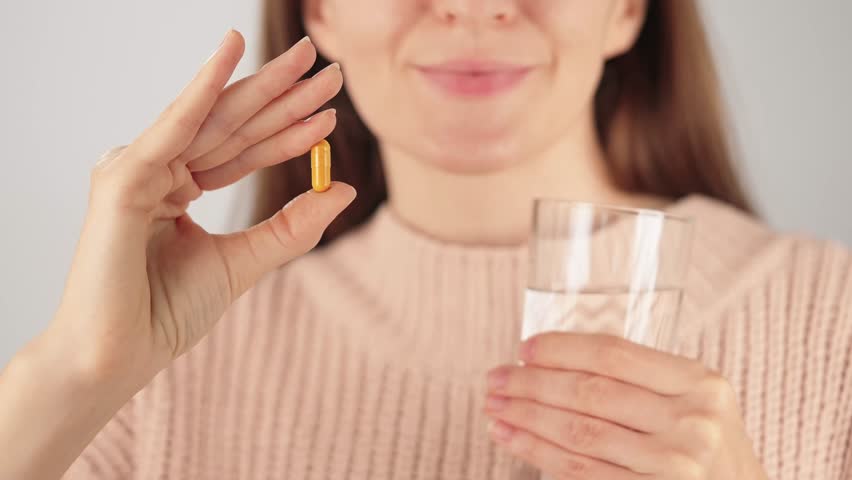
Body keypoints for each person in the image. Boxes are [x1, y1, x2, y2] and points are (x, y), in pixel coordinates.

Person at [1, 0, 850, 478]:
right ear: (318, 12)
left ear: (628, 7)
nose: (471, 7)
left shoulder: (833, 325)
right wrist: (75, 372)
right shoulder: (162, 374)